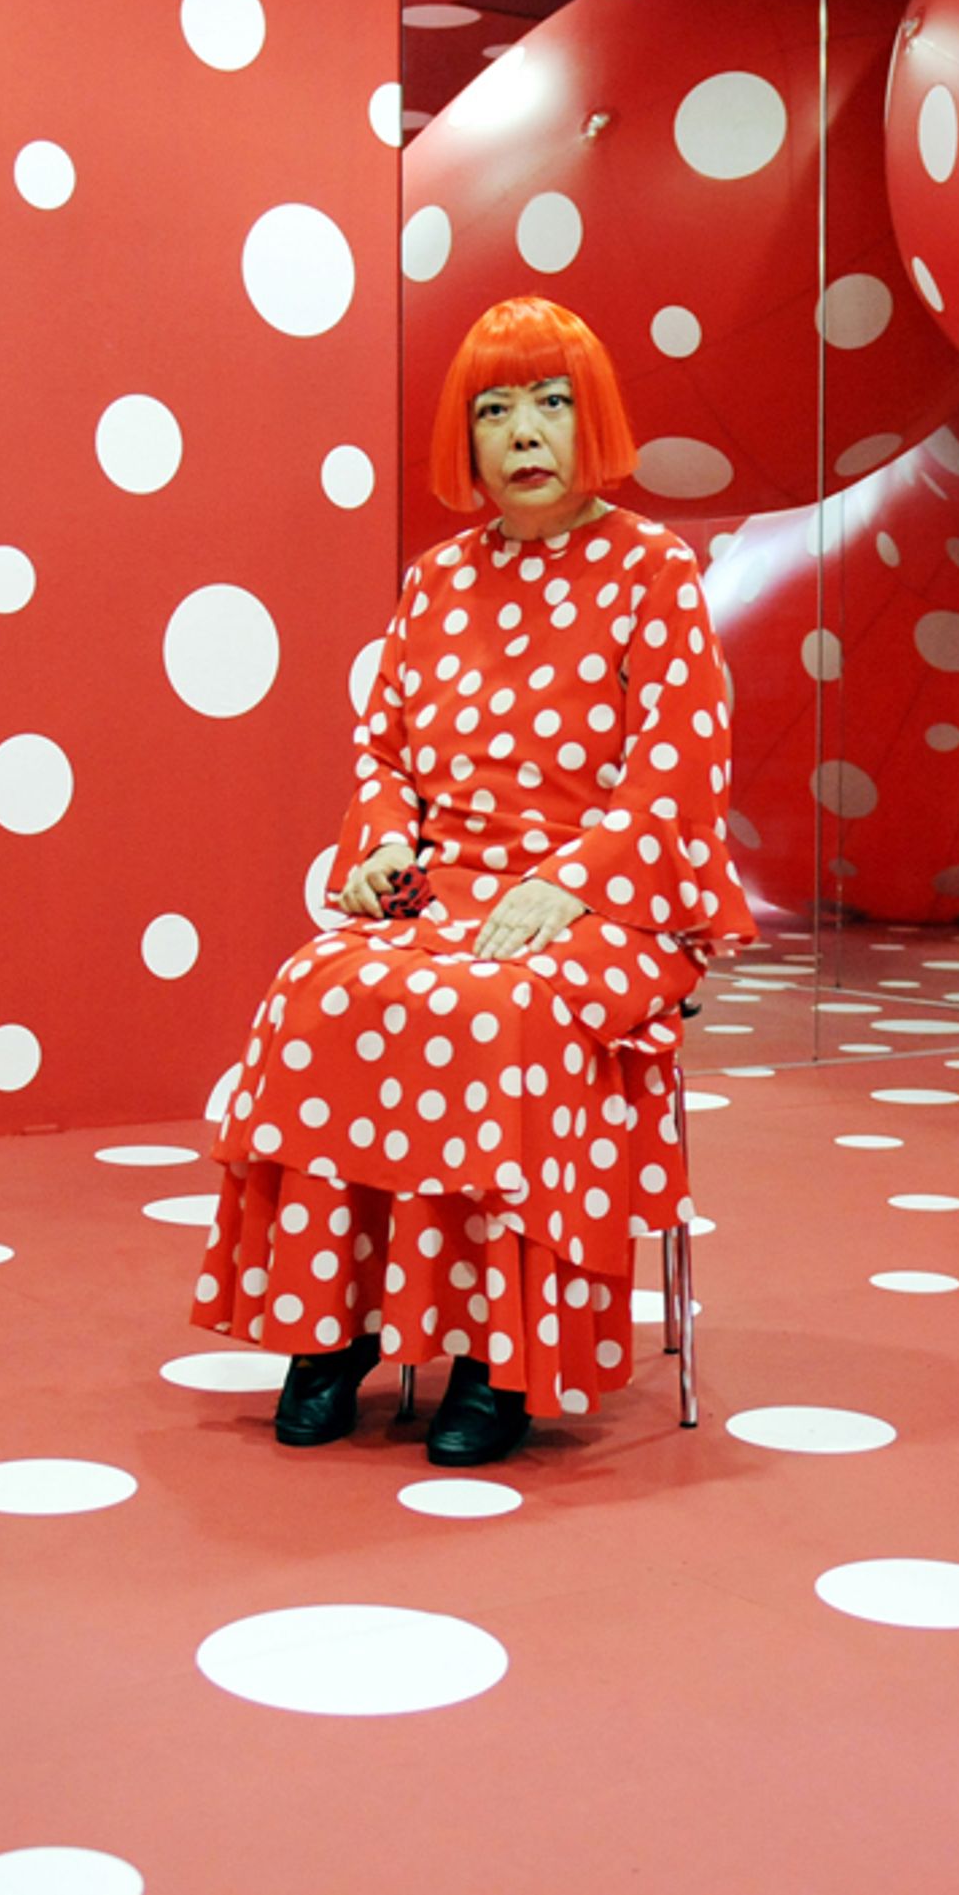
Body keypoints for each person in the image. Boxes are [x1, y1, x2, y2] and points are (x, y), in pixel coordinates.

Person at [189, 297, 754, 1465]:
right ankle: (331, 1331)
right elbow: (385, 752)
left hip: (623, 899)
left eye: (550, 402)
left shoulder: (655, 570)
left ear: (589, 418)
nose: (524, 432)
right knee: (322, 989)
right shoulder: (438, 581)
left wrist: (578, 885)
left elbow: (679, 770)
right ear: (467, 437)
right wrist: (386, 844)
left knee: (503, 1013)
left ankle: (503, 1360)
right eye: (495, 410)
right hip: (451, 890)